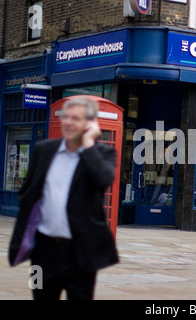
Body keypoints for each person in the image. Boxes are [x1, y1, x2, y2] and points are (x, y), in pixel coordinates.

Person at [8, 96, 119, 300]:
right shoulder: (44, 150)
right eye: (66, 117)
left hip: (81, 255)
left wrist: (87, 145)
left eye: (76, 118)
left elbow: (103, 179)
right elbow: (28, 191)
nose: (68, 122)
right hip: (41, 253)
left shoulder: (103, 153)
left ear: (89, 123)